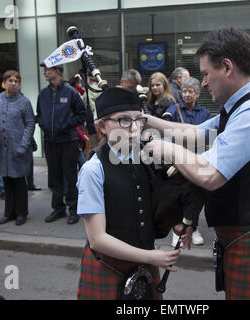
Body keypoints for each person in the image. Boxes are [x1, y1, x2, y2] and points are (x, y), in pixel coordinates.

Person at [144, 28, 250, 300]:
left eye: (206, 74)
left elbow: (210, 174)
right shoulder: (238, 106)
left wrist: (165, 148)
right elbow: (193, 133)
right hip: (246, 238)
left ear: (227, 67)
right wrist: (144, 119)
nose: (203, 83)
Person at [76, 87, 181, 300]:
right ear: (102, 126)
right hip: (109, 267)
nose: (134, 129)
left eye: (138, 120)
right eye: (124, 121)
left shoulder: (144, 158)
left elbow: (147, 207)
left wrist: (177, 221)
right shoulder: (93, 170)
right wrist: (151, 256)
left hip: (145, 265)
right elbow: (97, 239)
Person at [0, 70, 35, 226]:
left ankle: (21, 213)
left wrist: (23, 145)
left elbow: (30, 124)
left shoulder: (24, 102)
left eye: (16, 81)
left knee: (19, 182)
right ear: (4, 82)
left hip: (18, 148)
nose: (13, 83)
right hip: (1, 149)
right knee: (6, 181)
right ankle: (8, 213)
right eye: (10, 80)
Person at [36, 63, 86, 225]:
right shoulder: (43, 94)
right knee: (54, 177)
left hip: (68, 141)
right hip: (50, 142)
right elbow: (39, 115)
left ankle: (73, 209)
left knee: (70, 177)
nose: (45, 73)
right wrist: (43, 124)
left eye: (47, 70)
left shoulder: (70, 92)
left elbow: (82, 113)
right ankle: (58, 208)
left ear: (57, 72)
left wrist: (66, 125)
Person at [165, 77, 211, 246]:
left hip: (197, 159)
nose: (186, 94)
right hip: (178, 160)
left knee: (196, 195)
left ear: (198, 93)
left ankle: (195, 227)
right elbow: (167, 133)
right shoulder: (173, 110)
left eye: (190, 91)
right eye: (184, 91)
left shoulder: (205, 113)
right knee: (177, 195)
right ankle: (177, 230)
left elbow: (207, 137)